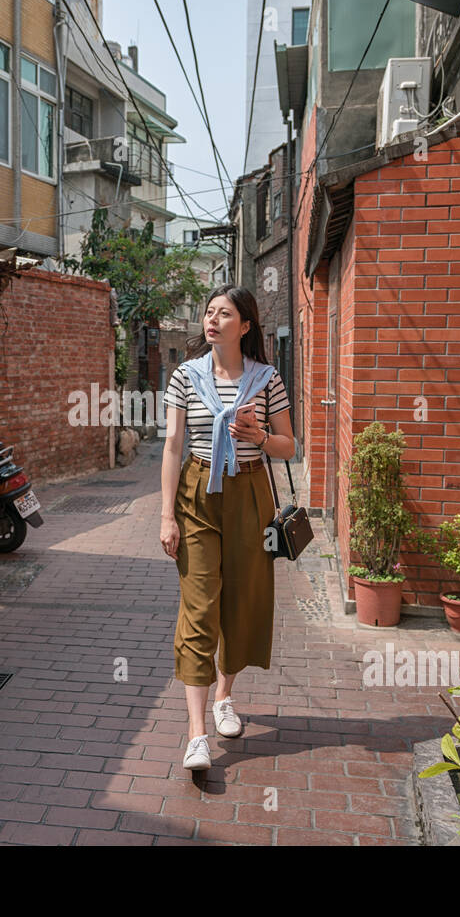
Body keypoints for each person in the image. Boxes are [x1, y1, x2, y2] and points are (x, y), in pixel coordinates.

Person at [159, 284, 293, 771]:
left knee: (242, 599)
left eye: (225, 313)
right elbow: (173, 446)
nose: (212, 320)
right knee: (198, 605)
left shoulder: (267, 378)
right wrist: (166, 514)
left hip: (251, 495)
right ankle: (197, 734)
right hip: (197, 495)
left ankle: (225, 695)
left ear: (247, 325)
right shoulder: (184, 377)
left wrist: (259, 435)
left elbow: (288, 447)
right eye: (209, 311)